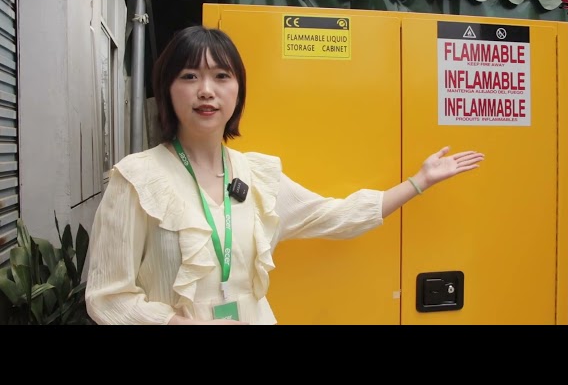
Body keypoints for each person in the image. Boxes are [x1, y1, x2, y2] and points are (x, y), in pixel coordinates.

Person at [85, 25, 484, 325]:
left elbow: (335, 216)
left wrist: (418, 182)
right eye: (189, 76)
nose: (206, 90)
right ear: (167, 89)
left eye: (221, 76)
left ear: (238, 91)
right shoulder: (136, 179)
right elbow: (107, 297)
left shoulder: (259, 176)